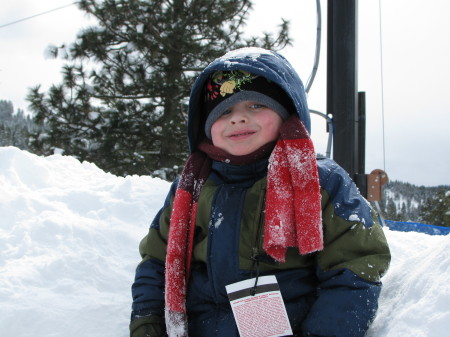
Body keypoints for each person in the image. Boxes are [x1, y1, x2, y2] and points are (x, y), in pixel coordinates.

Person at [129, 47, 391, 337]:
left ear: (288, 114)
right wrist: (147, 325)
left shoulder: (320, 181)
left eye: (255, 106)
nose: (238, 118)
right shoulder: (191, 188)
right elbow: (157, 263)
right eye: (224, 110)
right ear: (205, 126)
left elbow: (354, 267)